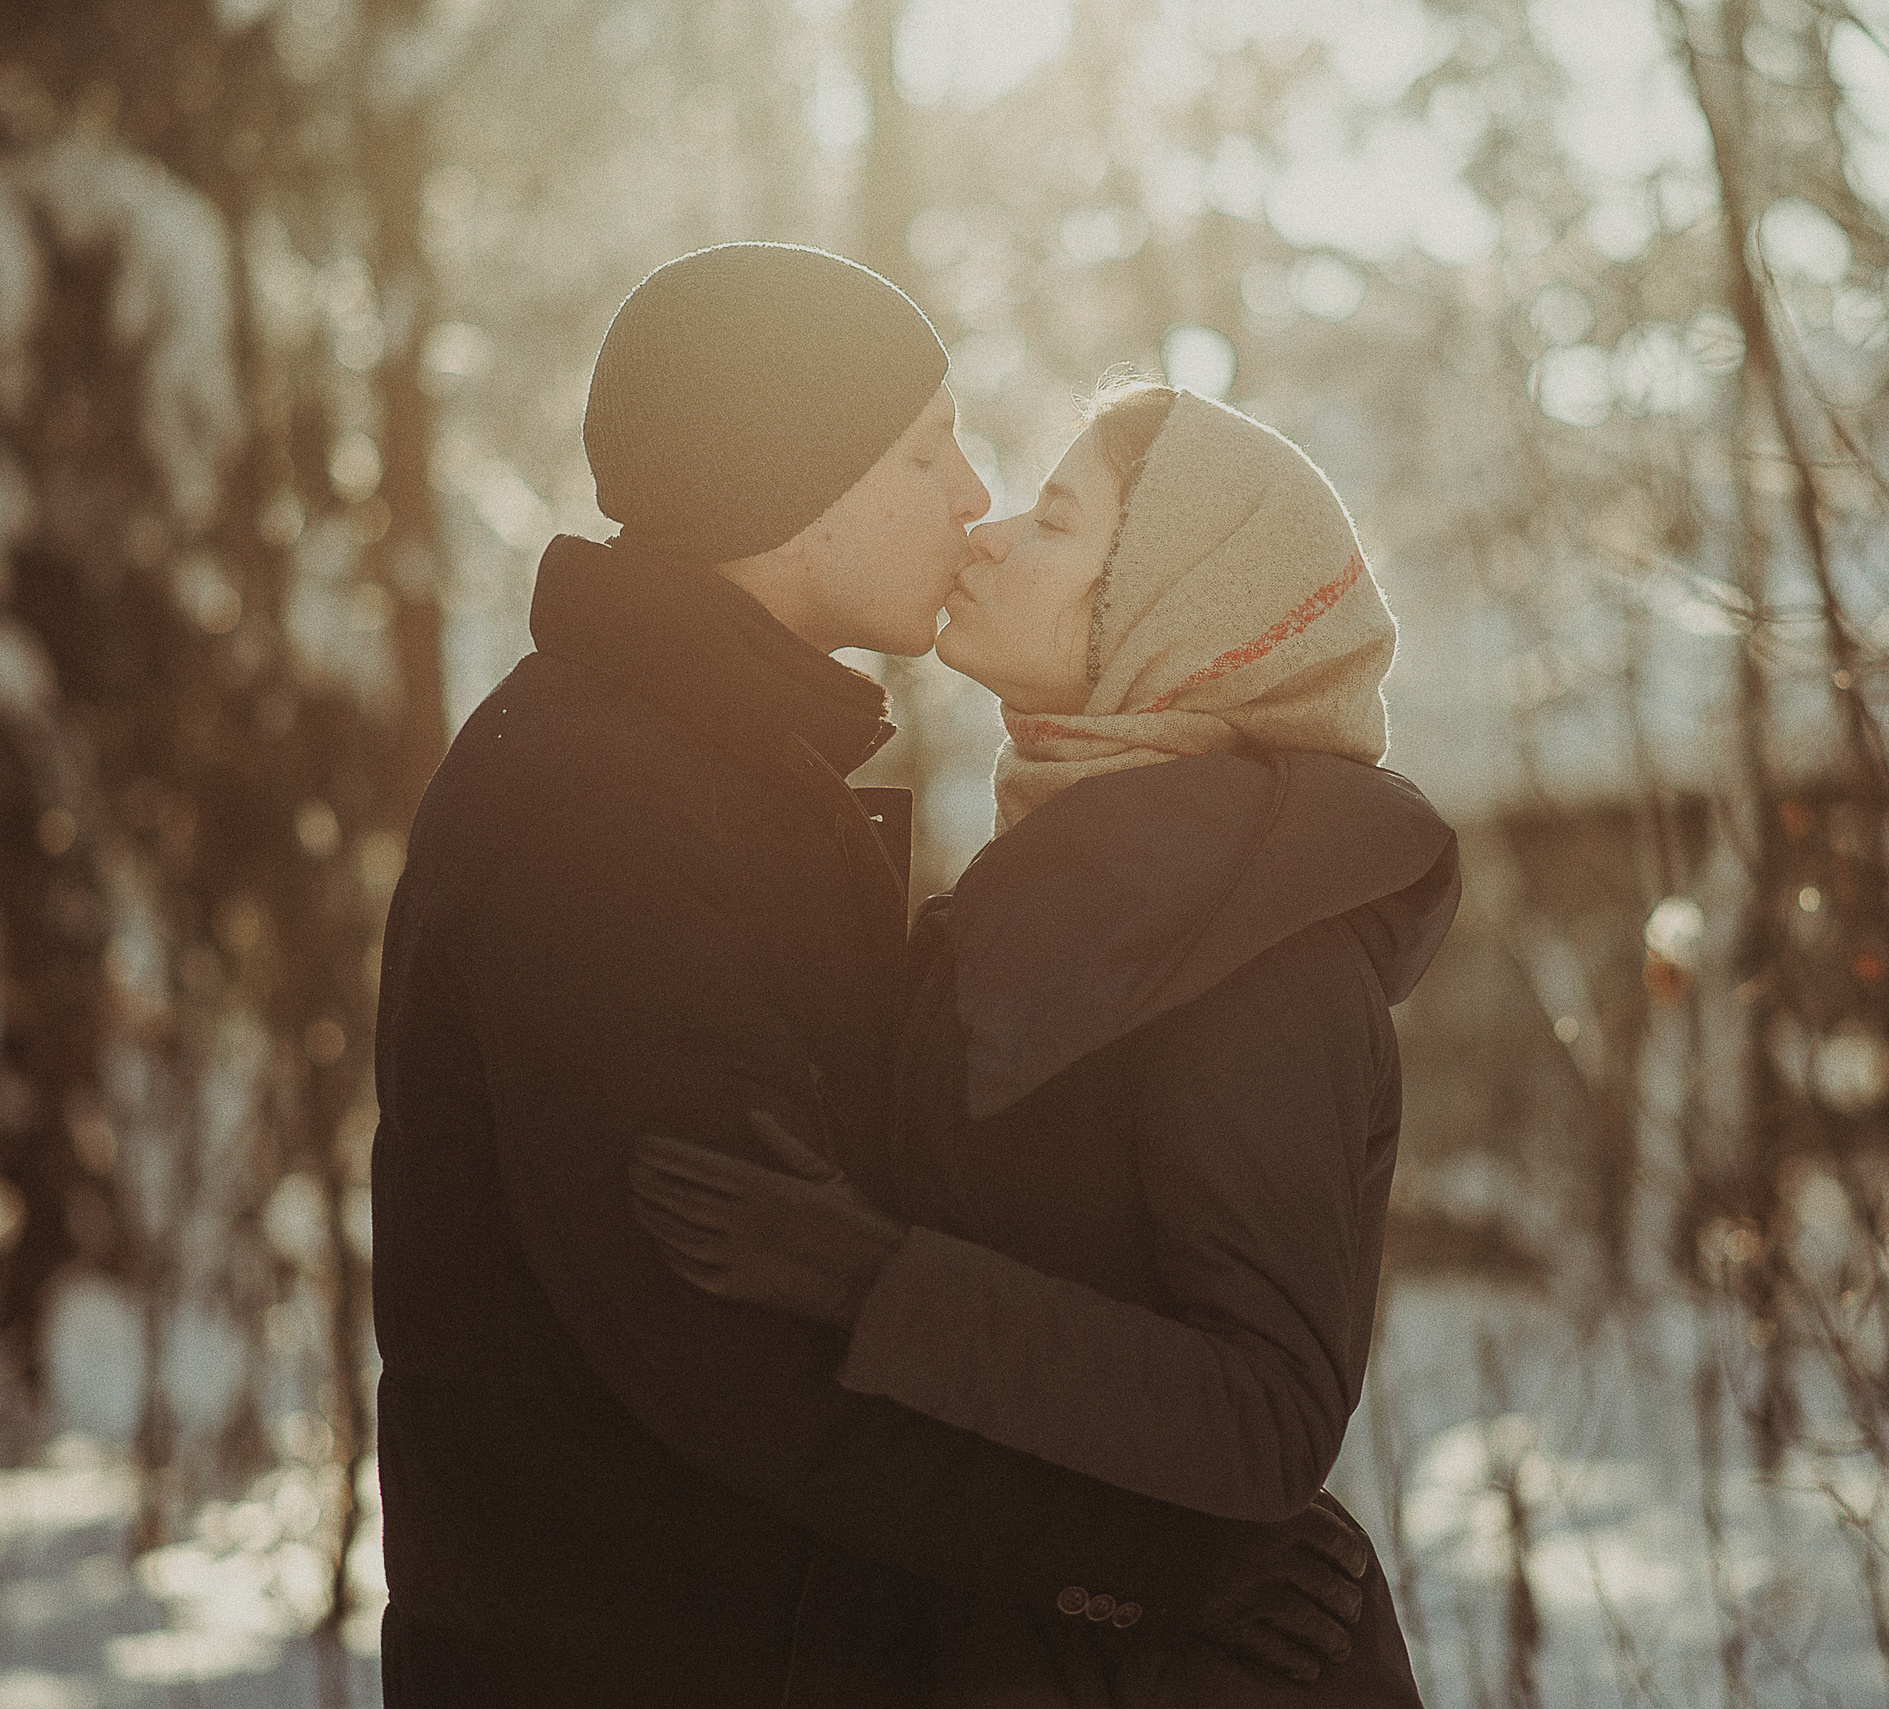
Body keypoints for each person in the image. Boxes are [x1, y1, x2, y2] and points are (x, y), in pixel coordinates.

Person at [371, 248, 1377, 1708]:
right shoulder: (600, 812)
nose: (973, 494)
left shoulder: (732, 775)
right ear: (794, 485)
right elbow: (735, 1348)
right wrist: (1168, 1562)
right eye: (925, 448)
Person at [632, 381, 1461, 1705]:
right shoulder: (1065, 898)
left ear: (1168, 613)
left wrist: (873, 1280)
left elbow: (1266, 1414)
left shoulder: (1255, 937)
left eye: (1058, 520)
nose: (989, 532)